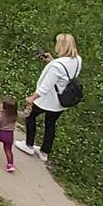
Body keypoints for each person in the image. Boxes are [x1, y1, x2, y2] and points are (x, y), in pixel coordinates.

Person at [18, 34, 82, 164]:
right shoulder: (77, 60)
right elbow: (65, 74)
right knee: (50, 124)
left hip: (47, 100)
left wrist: (32, 97)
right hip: (61, 102)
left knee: (30, 116)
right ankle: (44, 152)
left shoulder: (56, 66)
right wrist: (52, 60)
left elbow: (45, 86)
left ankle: (29, 144)